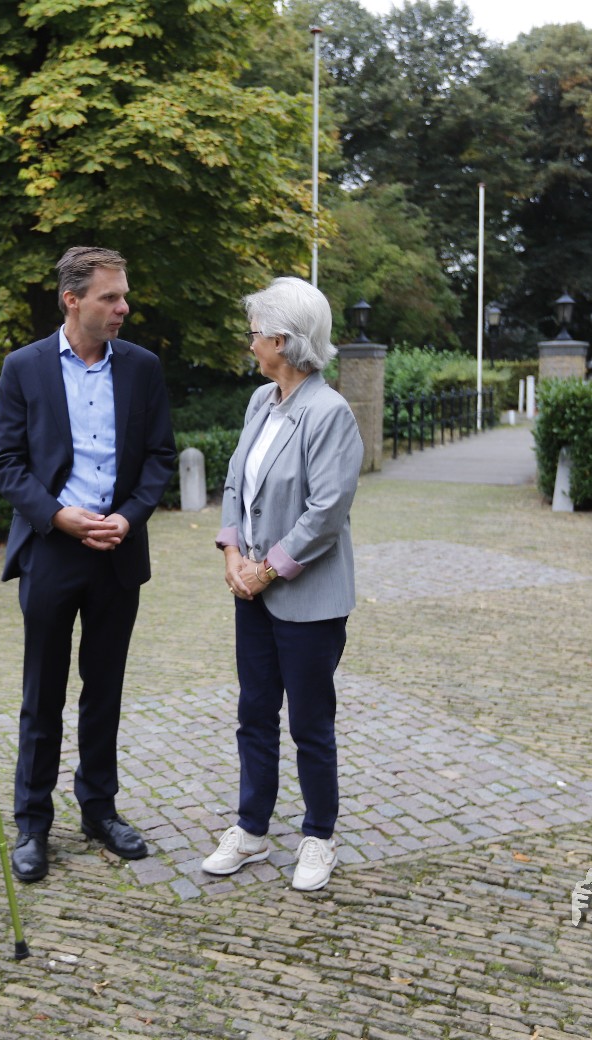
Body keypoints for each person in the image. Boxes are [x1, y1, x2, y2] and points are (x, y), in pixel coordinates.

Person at [0, 246, 176, 883]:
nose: (124, 308)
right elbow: (5, 461)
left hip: (118, 553)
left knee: (105, 690)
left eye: (124, 296)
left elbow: (160, 456)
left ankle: (99, 809)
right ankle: (32, 824)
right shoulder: (24, 367)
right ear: (73, 301)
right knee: (42, 693)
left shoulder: (143, 367)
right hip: (52, 550)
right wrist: (56, 515)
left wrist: (131, 515)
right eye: (110, 297)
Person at [201, 276, 362, 893]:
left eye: (255, 333)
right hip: (252, 591)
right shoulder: (260, 403)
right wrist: (231, 552)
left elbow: (326, 513)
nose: (250, 342)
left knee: (310, 724)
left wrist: (264, 570)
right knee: (254, 712)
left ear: (283, 340)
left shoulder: (329, 412)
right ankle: (251, 829)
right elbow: (235, 482)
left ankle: (319, 835)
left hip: (306, 598)